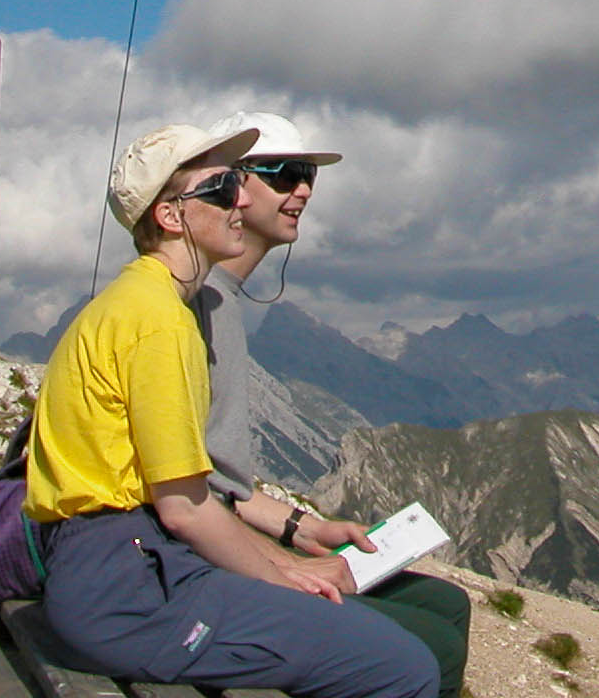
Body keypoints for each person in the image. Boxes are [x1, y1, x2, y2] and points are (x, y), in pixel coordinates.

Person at [24, 121, 439, 698]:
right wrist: (282, 579)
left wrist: (283, 567)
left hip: (116, 568)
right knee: (402, 668)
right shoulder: (159, 321)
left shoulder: (139, 300)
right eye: (221, 189)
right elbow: (186, 510)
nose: (241, 199)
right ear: (170, 216)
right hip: (128, 587)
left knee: (388, 653)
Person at [199, 111, 474, 698]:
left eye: (309, 176)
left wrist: (304, 528)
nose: (302, 190)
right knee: (435, 644)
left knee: (447, 605)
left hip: (217, 541)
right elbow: (182, 493)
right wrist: (282, 568)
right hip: (197, 563)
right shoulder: (196, 304)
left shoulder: (219, 301)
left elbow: (218, 482)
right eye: (284, 174)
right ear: (231, 184)